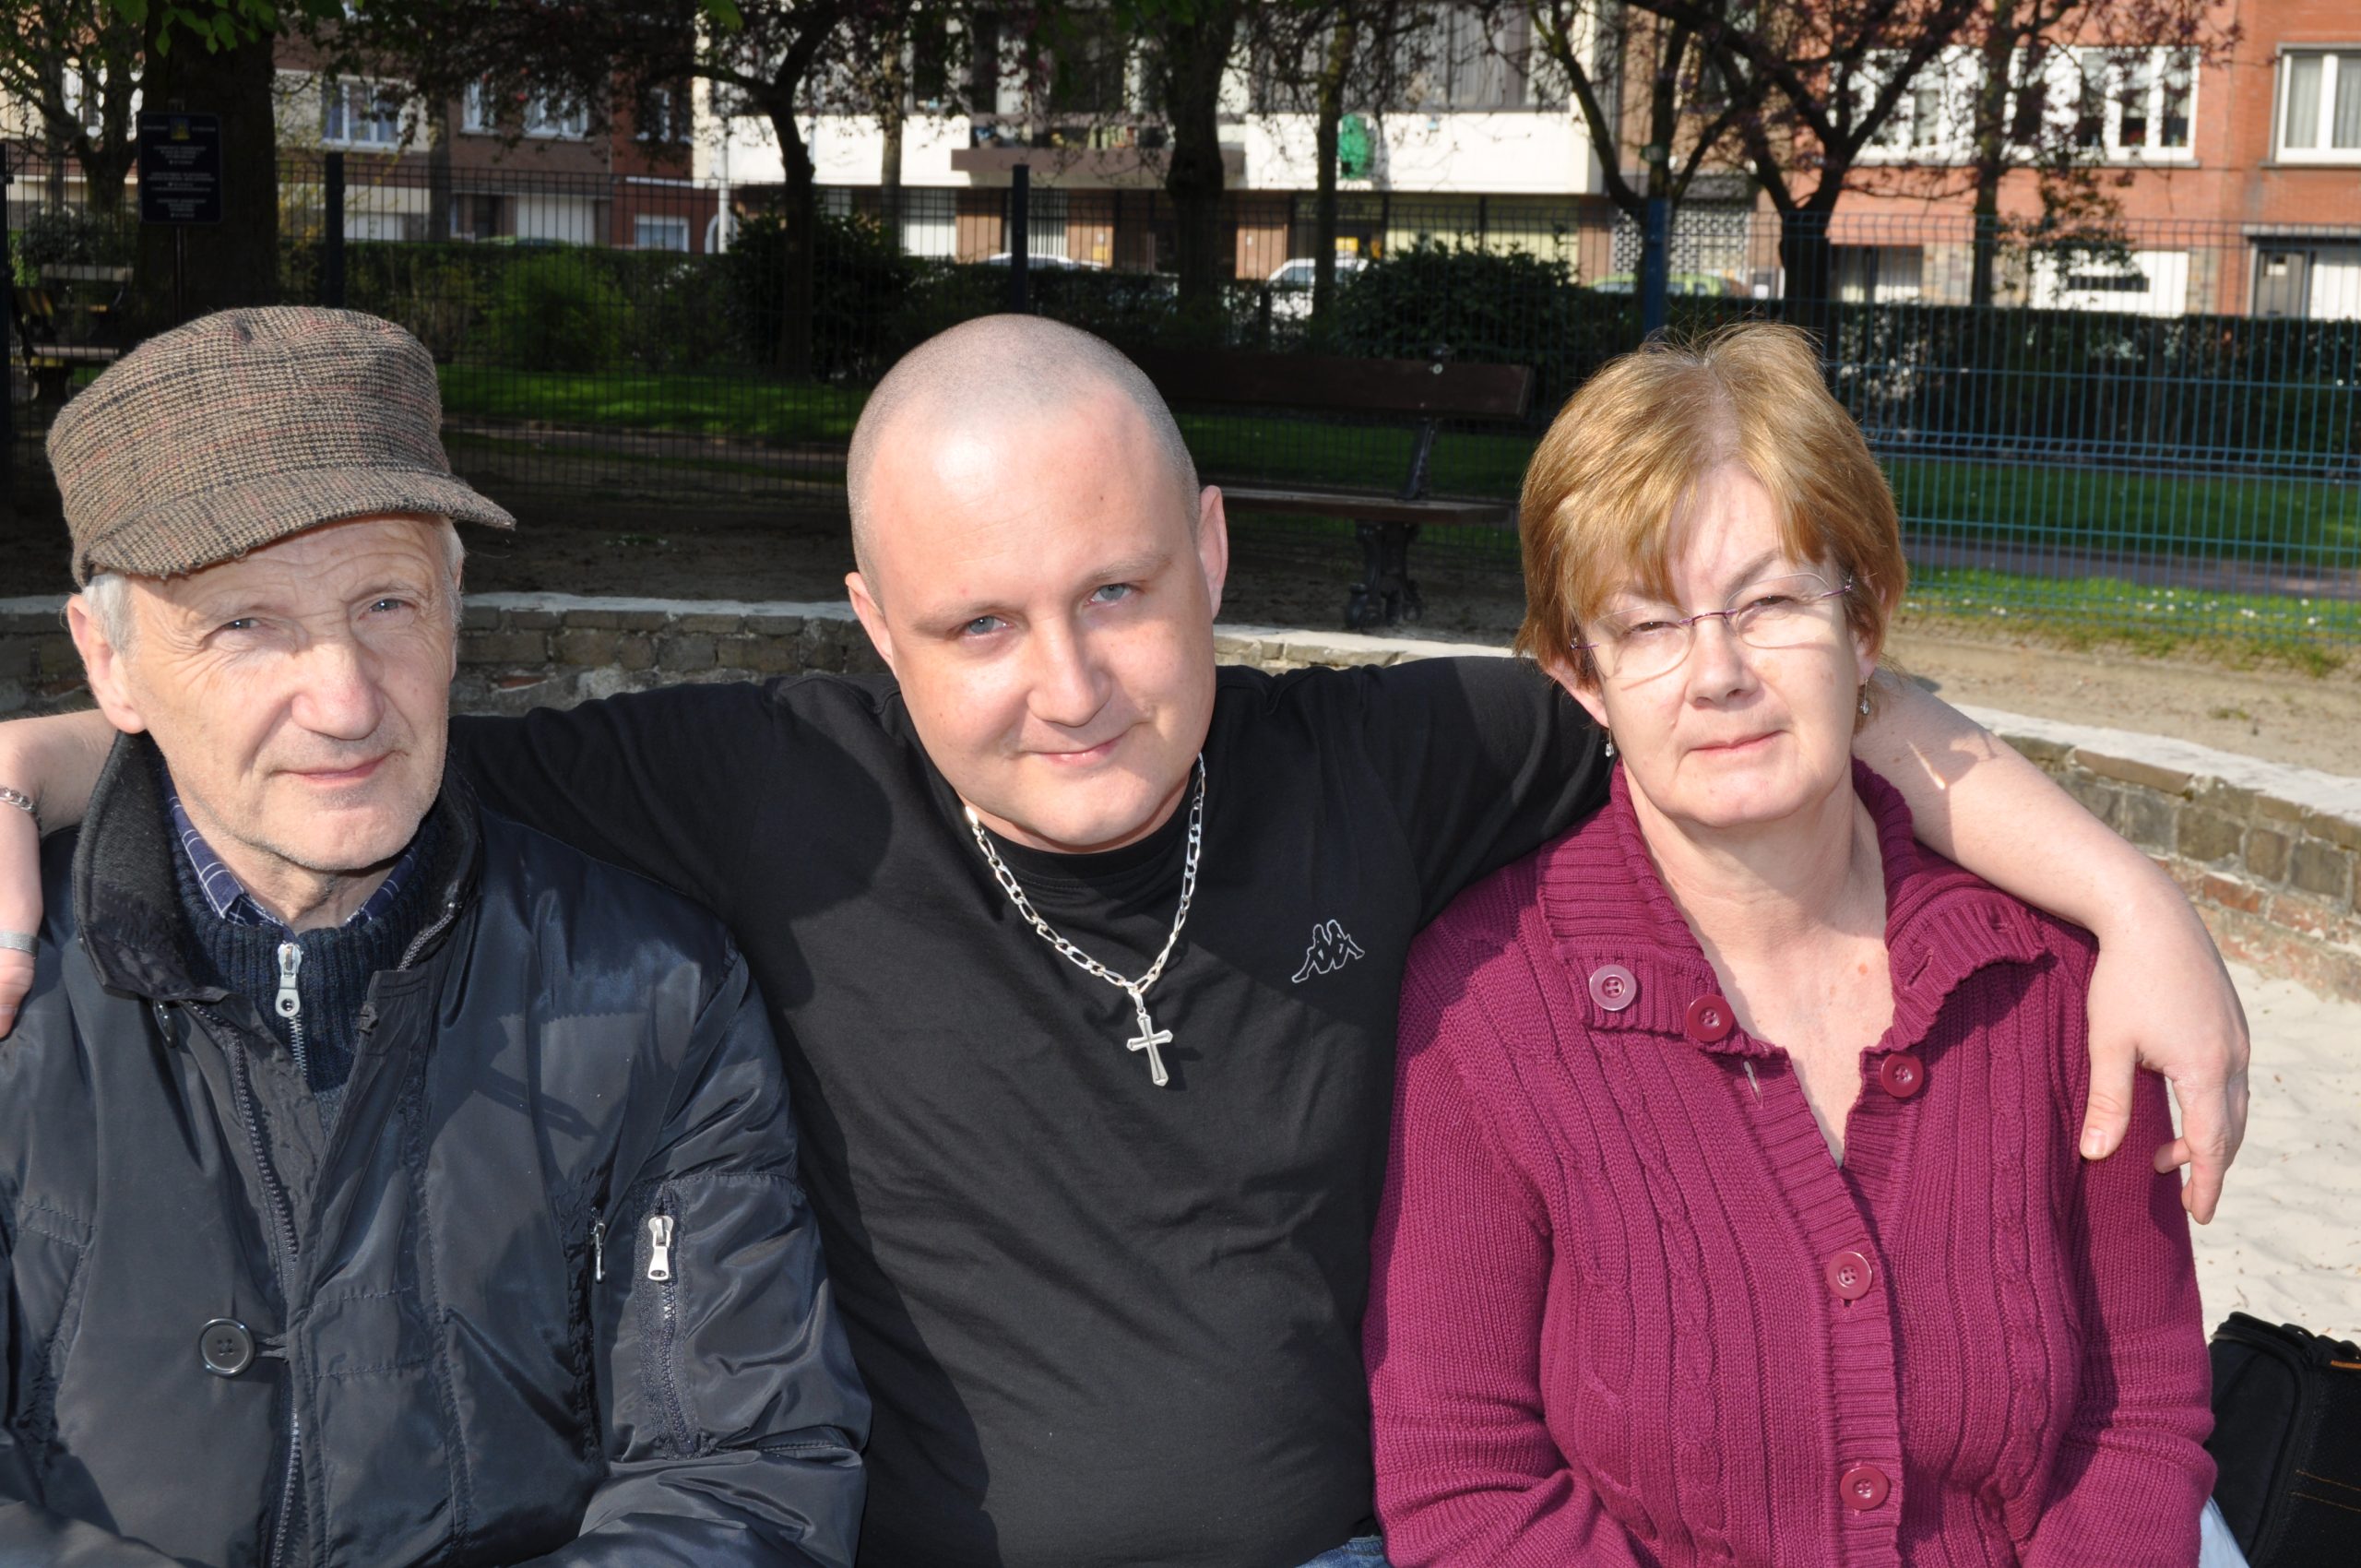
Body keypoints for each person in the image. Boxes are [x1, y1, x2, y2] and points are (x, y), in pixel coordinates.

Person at [0, 315, 2248, 1568]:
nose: (1064, 685)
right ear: (872, 627)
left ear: (1213, 553)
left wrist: (2122, 895)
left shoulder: (1396, 761)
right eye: (975, 625)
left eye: (1116, 593)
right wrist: (31, 757)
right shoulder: (763, 787)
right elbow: (343, 737)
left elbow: (1741, 690)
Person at [0, 308, 866, 1566]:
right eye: (245, 624)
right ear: (109, 664)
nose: (346, 699)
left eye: (387, 601)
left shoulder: (655, 995)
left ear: (458, 607)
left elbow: (739, 1475)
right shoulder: (20, 997)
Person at [1365, 324, 2217, 1566]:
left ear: (1864, 624)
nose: (1718, 674)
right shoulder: (1483, 1009)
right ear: (1581, 677)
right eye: (1647, 627)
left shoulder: (2050, 983)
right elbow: (1467, 1480)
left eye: (1769, 603)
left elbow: (2138, 1413)